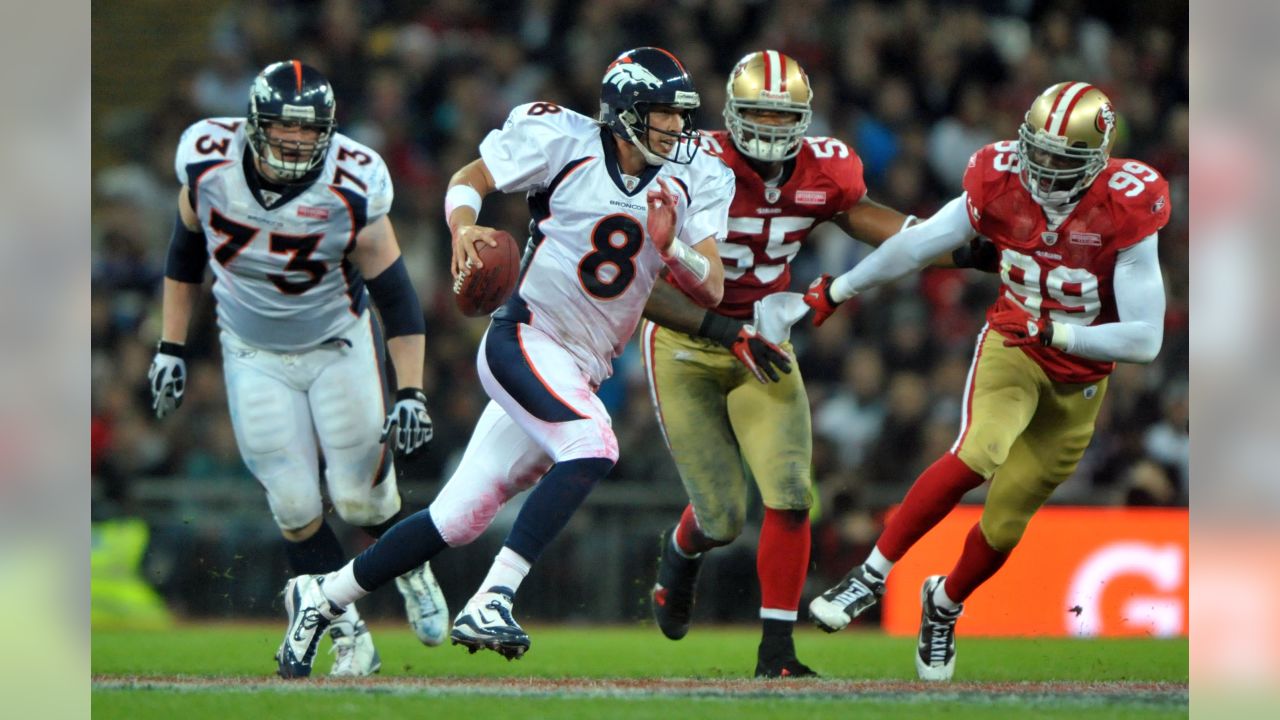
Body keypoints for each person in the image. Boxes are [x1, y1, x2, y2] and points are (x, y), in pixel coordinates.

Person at [273, 47, 733, 679]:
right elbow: (470, 178)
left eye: (680, 116)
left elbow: (711, 286)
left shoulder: (696, 174)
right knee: (593, 444)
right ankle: (493, 599)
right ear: (626, 110)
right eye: (661, 115)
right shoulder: (563, 139)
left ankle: (321, 596)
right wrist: (464, 229)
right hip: (526, 336)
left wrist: (671, 245)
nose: (676, 129)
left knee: (456, 518)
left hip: (581, 365)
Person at [639, 50, 994, 678]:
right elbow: (645, 272)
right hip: (688, 341)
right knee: (721, 516)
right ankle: (683, 550)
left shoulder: (826, 167)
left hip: (765, 342)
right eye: (758, 115)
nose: (772, 131)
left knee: (792, 493)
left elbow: (872, 224)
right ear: (731, 113)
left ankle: (777, 652)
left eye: (784, 117)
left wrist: (955, 251)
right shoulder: (692, 161)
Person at [805, 82, 1170, 681]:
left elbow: (1145, 339)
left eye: (1064, 158)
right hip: (1013, 347)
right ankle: (869, 575)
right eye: (1039, 151)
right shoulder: (997, 176)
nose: (1045, 169)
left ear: (1097, 161)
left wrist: (1058, 333)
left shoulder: (1129, 203)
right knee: (979, 451)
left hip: (1078, 377)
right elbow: (917, 244)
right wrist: (838, 290)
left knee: (1004, 524)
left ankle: (943, 604)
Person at [148, 60, 449, 677]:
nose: (295, 141)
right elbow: (184, 261)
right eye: (284, 127)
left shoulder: (352, 181)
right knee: (290, 502)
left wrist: (412, 391)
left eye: (311, 131)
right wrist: (170, 347)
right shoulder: (206, 163)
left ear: (330, 132)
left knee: (359, 500)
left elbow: (397, 297)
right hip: (251, 350)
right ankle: (350, 637)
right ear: (253, 125)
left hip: (337, 344)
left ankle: (409, 562)